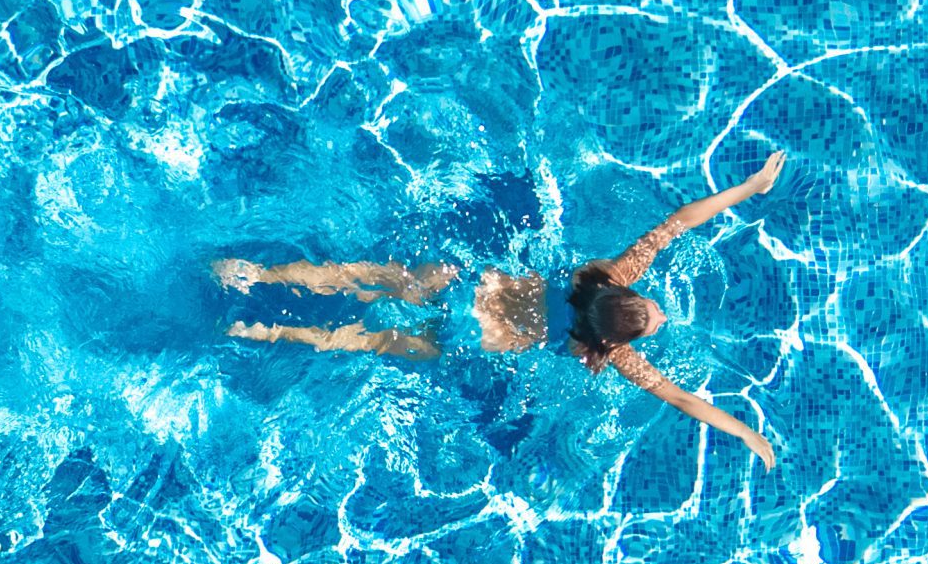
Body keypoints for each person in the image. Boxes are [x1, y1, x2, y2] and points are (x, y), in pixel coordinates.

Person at [213, 151, 784, 468]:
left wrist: (749, 185)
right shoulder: (607, 355)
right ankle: (259, 330)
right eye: (651, 316)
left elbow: (677, 222)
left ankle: (257, 273)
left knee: (356, 277)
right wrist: (747, 434)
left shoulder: (604, 275)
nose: (659, 316)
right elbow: (683, 399)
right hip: (467, 338)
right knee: (360, 342)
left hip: (462, 289)